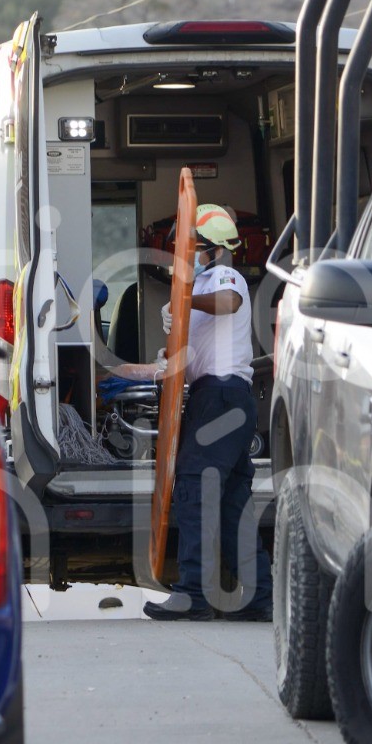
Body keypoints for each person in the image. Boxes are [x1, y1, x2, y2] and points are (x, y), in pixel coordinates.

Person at [109, 204, 273, 622]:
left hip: (218, 398)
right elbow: (188, 358)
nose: (186, 255)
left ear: (214, 249)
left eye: (193, 247)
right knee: (233, 500)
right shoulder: (201, 289)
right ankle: (260, 597)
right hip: (224, 398)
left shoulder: (224, 274)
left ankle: (193, 594)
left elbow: (229, 301)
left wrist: (186, 297)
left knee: (194, 489)